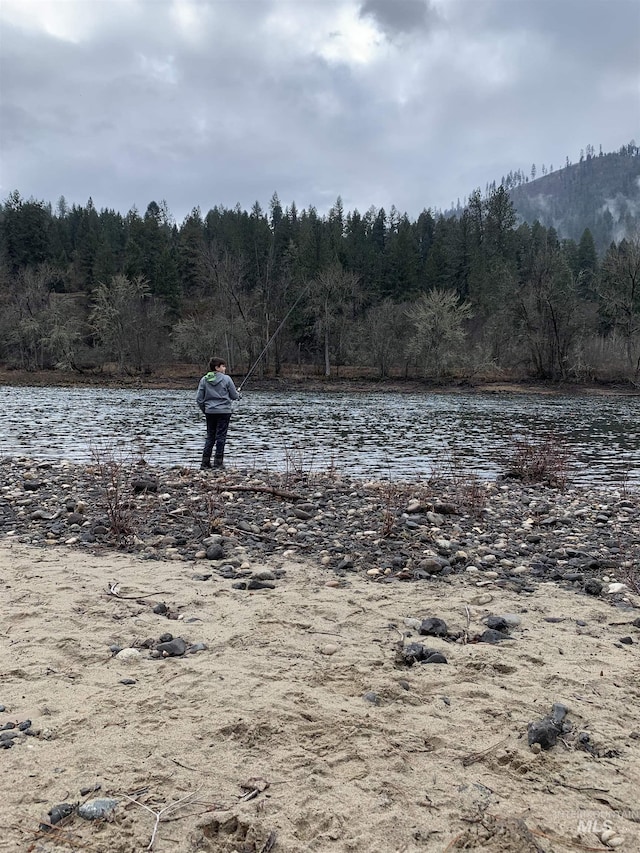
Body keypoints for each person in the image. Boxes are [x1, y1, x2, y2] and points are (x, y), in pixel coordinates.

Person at [196, 357, 240, 470]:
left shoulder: (204, 380)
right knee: (221, 437)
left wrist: (205, 410)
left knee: (210, 437)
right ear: (217, 367)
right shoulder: (227, 379)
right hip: (224, 412)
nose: (225, 368)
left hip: (210, 412)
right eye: (223, 366)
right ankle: (218, 463)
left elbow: (199, 399)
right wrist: (238, 394)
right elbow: (234, 396)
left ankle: (205, 463)